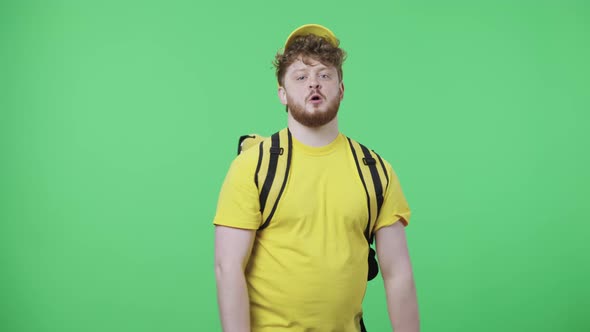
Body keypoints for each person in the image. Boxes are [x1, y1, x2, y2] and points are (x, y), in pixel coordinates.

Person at [213, 24, 419, 332]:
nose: (314, 84)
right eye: (301, 77)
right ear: (282, 93)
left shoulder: (375, 170)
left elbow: (398, 273)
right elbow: (227, 269)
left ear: (341, 89)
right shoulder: (253, 166)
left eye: (325, 75)